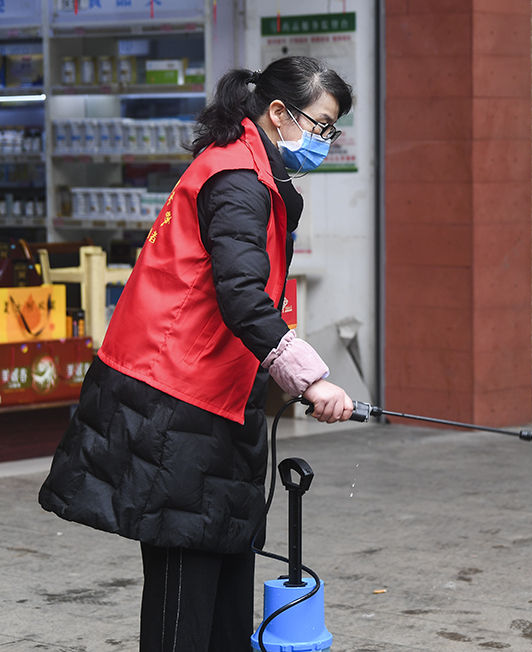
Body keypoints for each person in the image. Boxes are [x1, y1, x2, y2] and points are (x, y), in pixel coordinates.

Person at [38, 56, 355, 652]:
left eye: (332, 131)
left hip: (213, 400)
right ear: (278, 113)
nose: (324, 142)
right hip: (173, 404)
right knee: (184, 592)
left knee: (227, 571)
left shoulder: (253, 173)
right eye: (321, 126)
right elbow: (242, 296)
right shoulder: (235, 178)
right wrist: (311, 381)